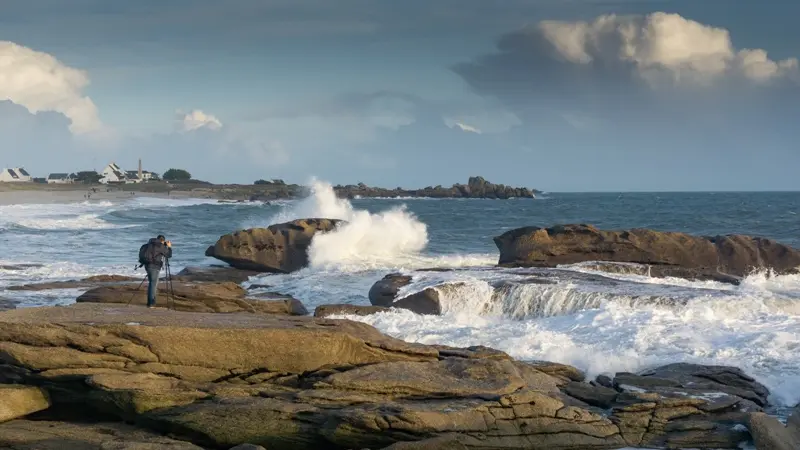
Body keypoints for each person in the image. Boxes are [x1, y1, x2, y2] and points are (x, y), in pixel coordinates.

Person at [139, 235, 172, 308]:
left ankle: (149, 302)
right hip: (154, 267)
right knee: (153, 284)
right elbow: (168, 255)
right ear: (162, 241)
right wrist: (169, 247)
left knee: (151, 283)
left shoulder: (147, 245)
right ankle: (151, 303)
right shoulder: (160, 246)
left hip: (147, 265)